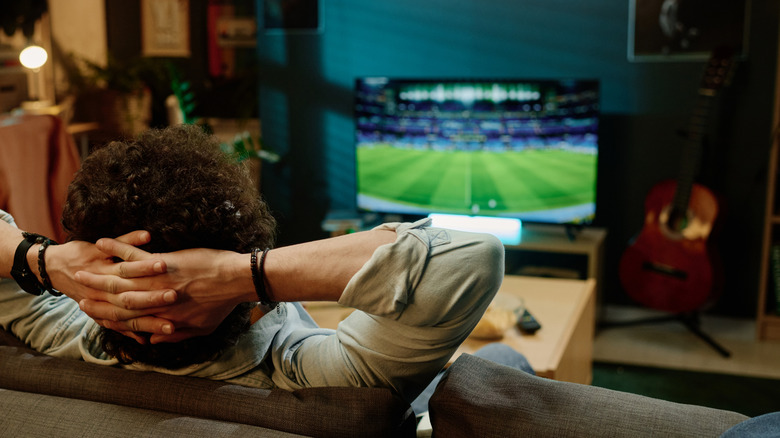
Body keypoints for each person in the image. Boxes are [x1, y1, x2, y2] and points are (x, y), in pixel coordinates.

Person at [0, 124, 504, 404]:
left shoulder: (55, 336)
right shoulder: (306, 377)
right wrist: (236, 275)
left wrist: (41, 261)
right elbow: (468, 257)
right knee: (504, 366)